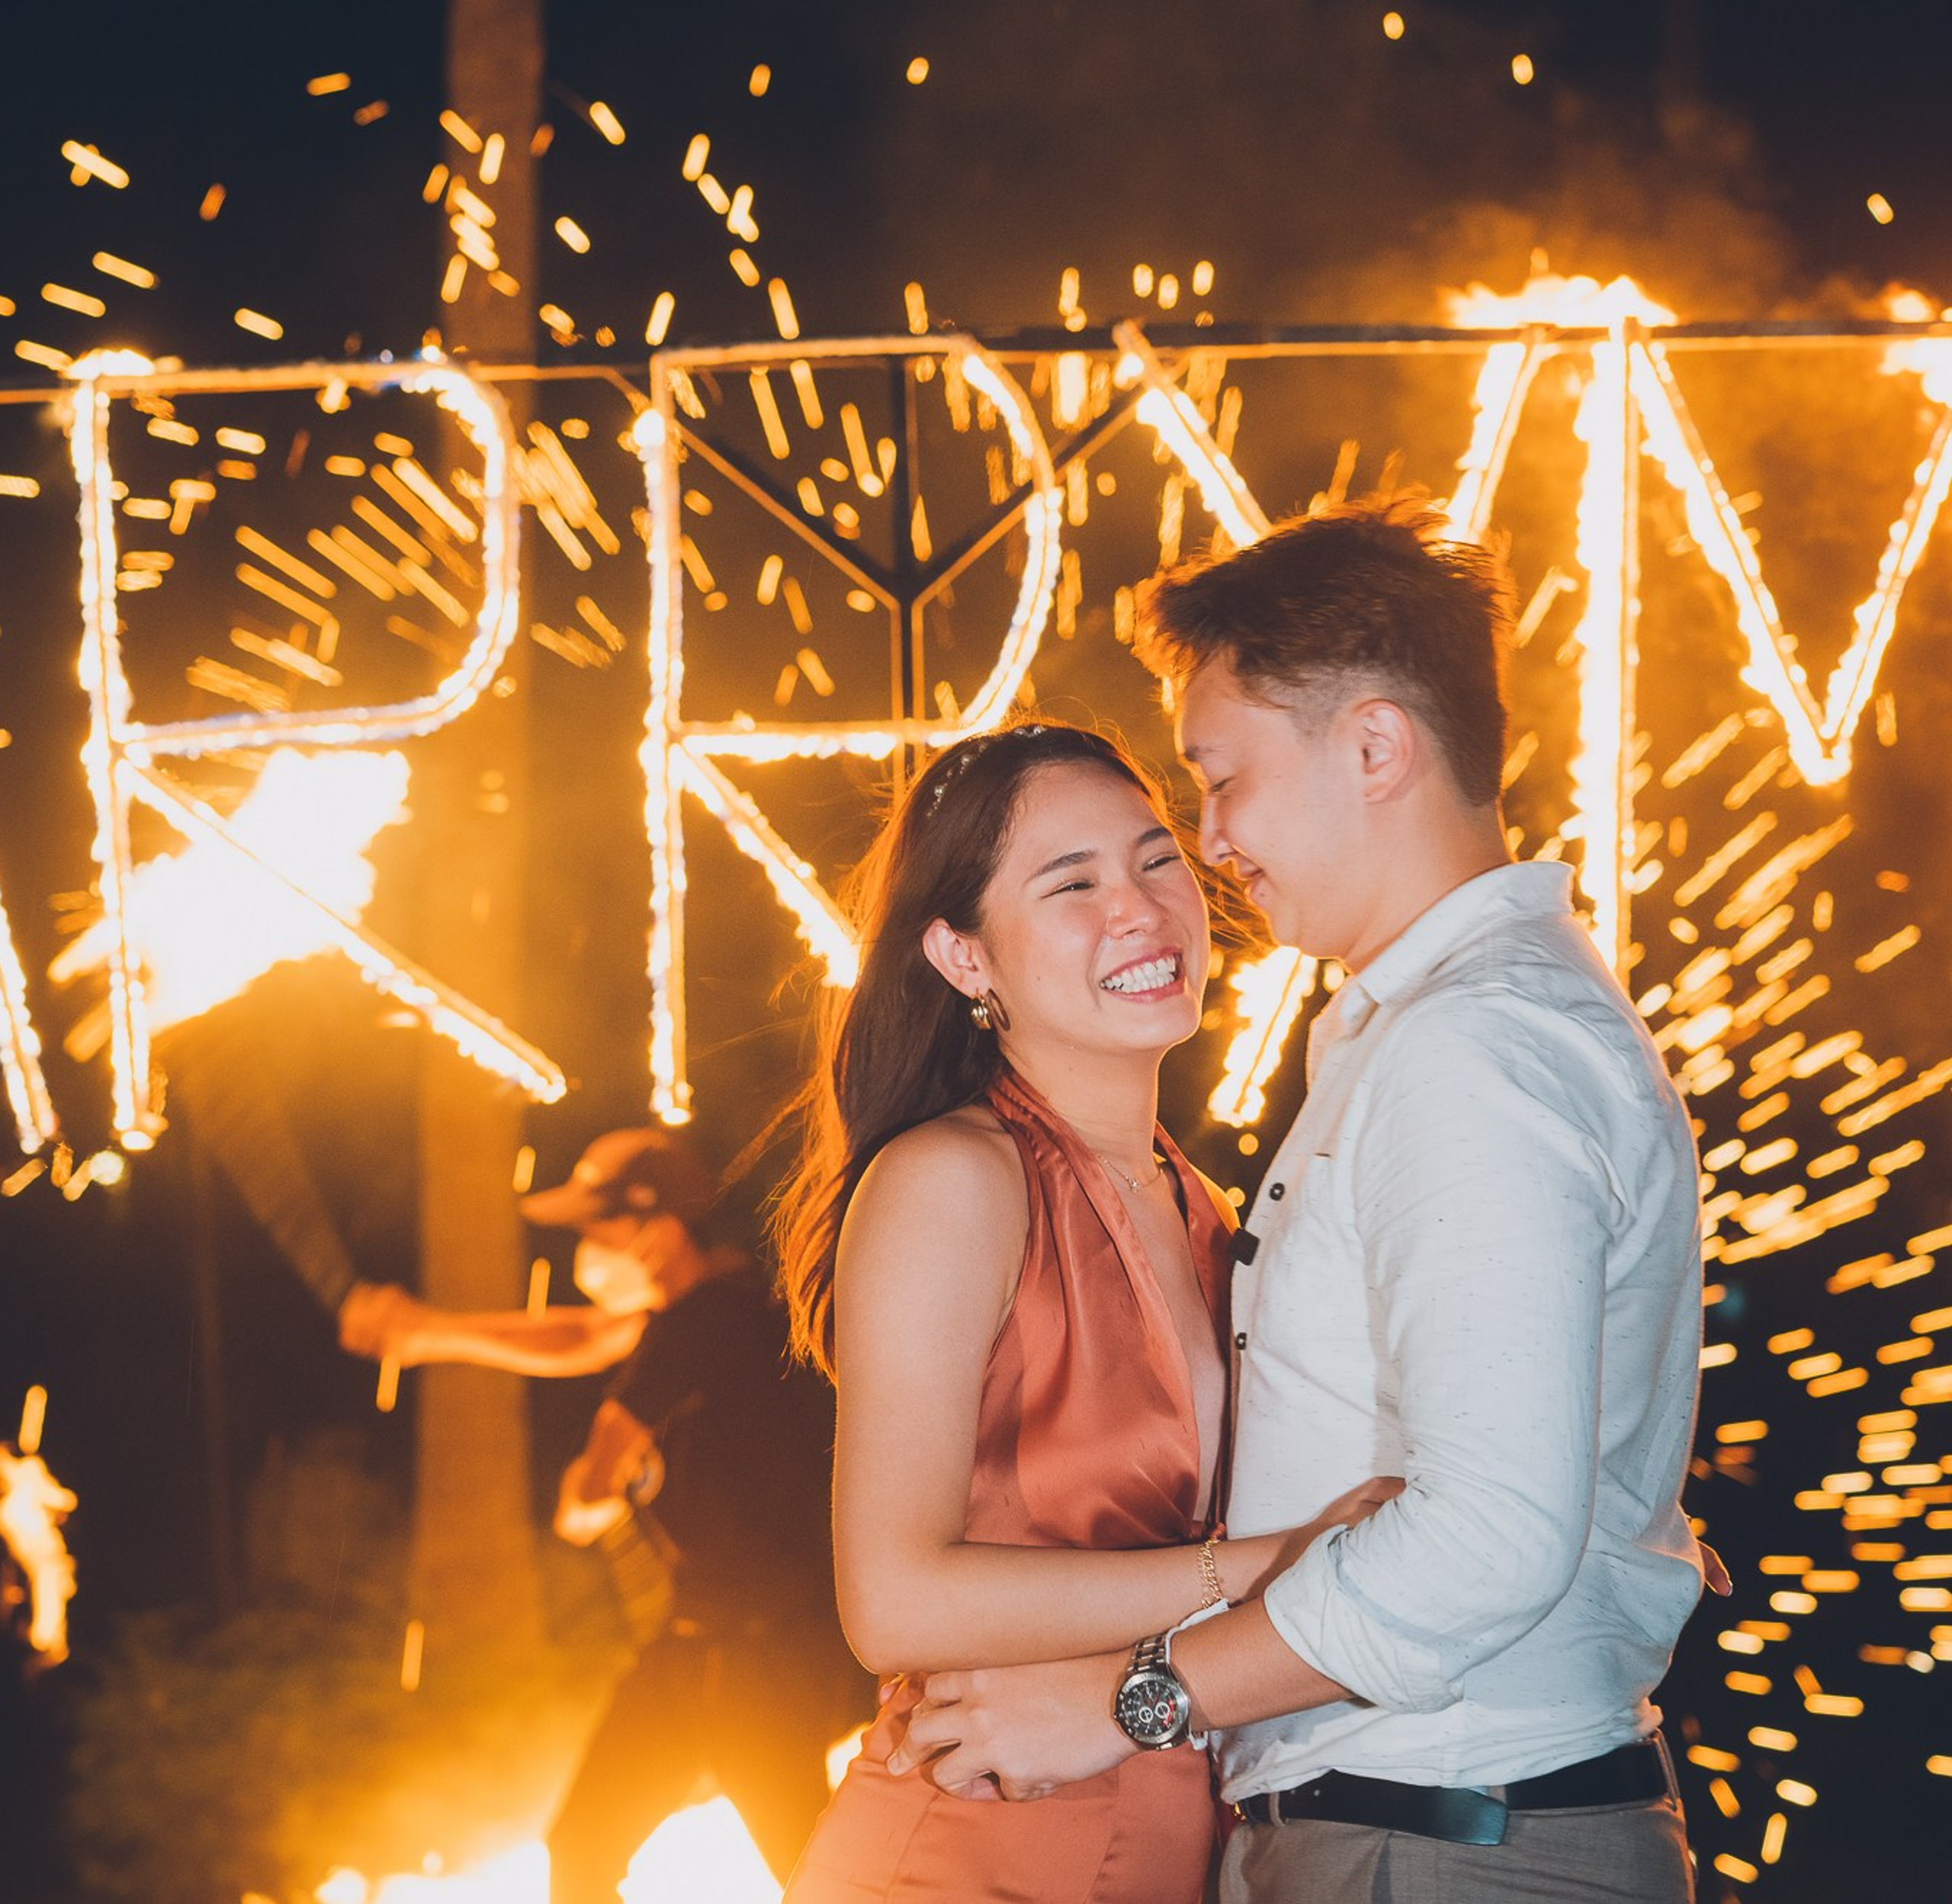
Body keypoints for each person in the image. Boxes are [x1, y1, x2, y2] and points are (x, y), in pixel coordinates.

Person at [888, 497, 1710, 1904]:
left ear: (1377, 748)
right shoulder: (1437, 1033)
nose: (1211, 841)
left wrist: (1129, 1700)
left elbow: (1484, 1541)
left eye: (1220, 782)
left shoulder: (1472, 1048)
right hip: (1415, 1829)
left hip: (1442, 1838)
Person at [772, 719, 1392, 1903]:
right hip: (974, 1850)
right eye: (1073, 884)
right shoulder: (954, 1179)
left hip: (1181, 1842)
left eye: (1157, 861)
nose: (1140, 910)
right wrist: (1269, 1567)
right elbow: (894, 1603)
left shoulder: (1210, 1210)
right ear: (963, 957)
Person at [339, 1126, 863, 1899]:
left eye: (599, 1228)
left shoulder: (708, 1320)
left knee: (813, 1873)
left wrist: (585, 1497)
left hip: (763, 1659)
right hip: (694, 1644)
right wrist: (427, 1332)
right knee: (582, 1849)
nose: (585, 1250)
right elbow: (581, 1334)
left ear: (660, 1231)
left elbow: (598, 1464)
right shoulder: (700, 1308)